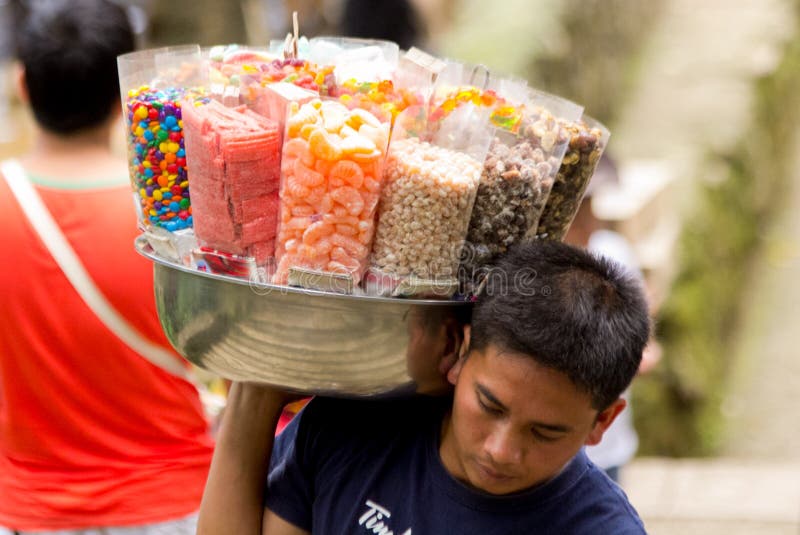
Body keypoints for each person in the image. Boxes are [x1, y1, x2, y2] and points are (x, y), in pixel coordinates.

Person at [198, 240, 651, 534]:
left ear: (603, 421)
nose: (500, 450)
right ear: (459, 353)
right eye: (490, 406)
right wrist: (257, 389)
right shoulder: (354, 429)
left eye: (545, 432)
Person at [0, 1, 213, 533]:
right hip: (174, 503)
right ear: (126, 100)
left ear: (22, 85)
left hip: (32, 508)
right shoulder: (178, 223)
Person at [566, 155, 661, 483]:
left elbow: (642, 330)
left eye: (591, 206)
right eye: (577, 211)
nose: (589, 223)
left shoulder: (615, 254)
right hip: (558, 449)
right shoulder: (534, 277)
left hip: (609, 444)